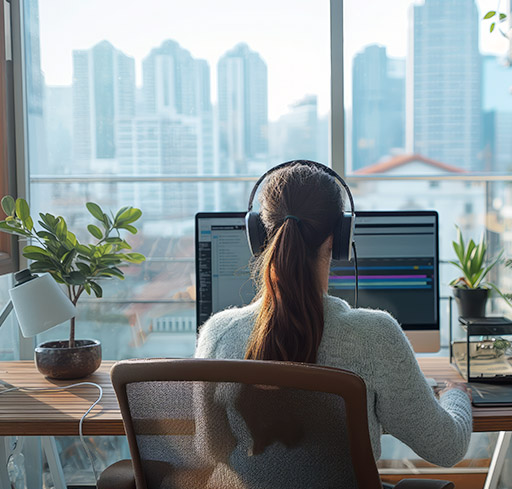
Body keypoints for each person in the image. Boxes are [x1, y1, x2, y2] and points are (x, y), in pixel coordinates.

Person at [195, 160, 472, 469]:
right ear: (339, 237)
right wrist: (455, 394)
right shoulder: (375, 337)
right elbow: (447, 448)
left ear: (259, 236)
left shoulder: (217, 335)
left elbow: (209, 452)